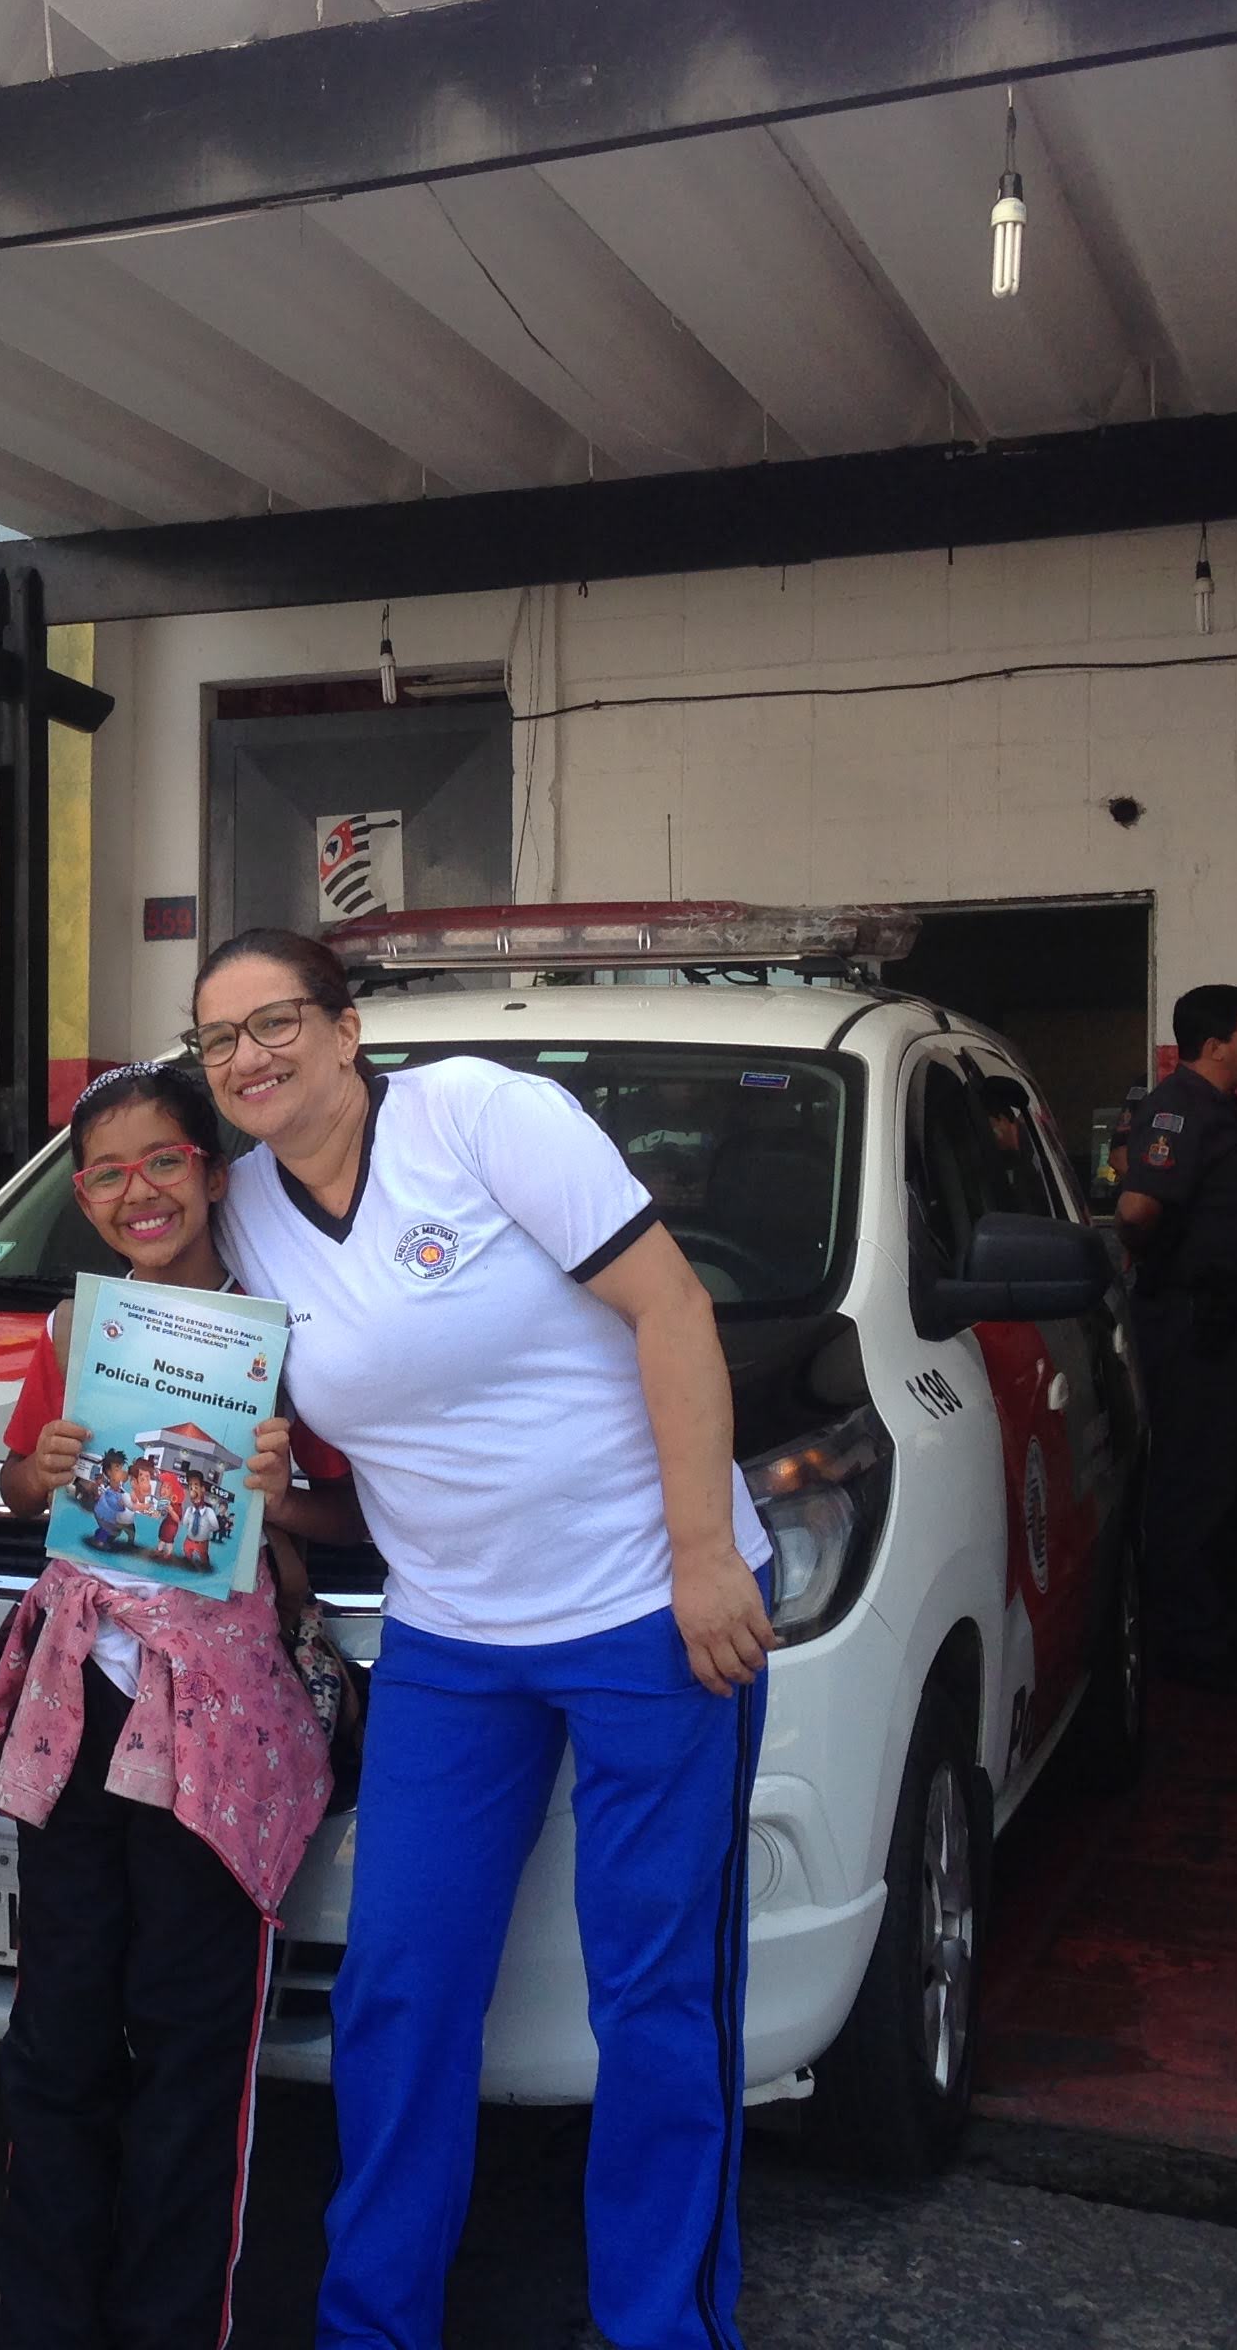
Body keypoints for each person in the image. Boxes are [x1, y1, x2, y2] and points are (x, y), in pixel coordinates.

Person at [188, 928, 777, 2350]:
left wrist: (705, 1553)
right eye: (218, 1041)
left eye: (276, 1023)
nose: (250, 1058)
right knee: (402, 1987)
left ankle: (666, 2329)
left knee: (654, 1994)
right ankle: (374, 2327)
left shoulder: (482, 1117)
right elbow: (144, 1293)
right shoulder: (246, 1211)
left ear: (346, 1031)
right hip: (451, 1638)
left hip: (647, 1609)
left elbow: (672, 1307)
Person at [0, 1062, 357, 2350]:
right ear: (82, 1194)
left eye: (162, 1161)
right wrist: (40, 1471)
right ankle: (44, 2326)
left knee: (195, 2047)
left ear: (214, 1170)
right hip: (77, 1717)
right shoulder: (70, 1335)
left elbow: (354, 1510)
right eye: (105, 1172)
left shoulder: (290, 1334)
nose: (136, 1191)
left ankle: (170, 2326)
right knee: (58, 2038)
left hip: (219, 1732)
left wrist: (285, 1494)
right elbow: (23, 1488)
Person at [1116, 984, 1237, 1696]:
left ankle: (1212, 1632)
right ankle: (1187, 1645)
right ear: (1215, 1047)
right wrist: (1165, 1270)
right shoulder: (1178, 1110)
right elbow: (1137, 1209)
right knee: (1194, 1484)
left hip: (1224, 1326)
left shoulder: (1216, 1108)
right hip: (1195, 1328)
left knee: (1226, 1483)